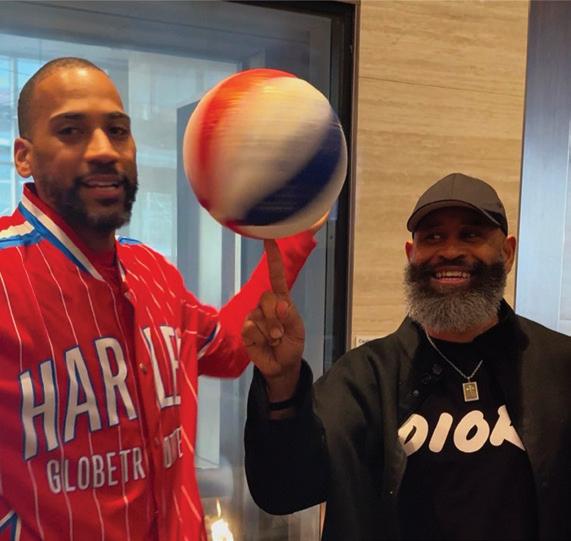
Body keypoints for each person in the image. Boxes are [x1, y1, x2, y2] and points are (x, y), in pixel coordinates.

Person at [0, 57, 318, 541]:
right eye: (71, 131)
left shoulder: (153, 271)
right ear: (24, 156)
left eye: (117, 130)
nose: (103, 150)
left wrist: (295, 231)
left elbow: (229, 348)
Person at [243, 172, 571, 541]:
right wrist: (283, 381)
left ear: (507, 253)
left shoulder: (559, 367)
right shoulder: (364, 378)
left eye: (470, 235)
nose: (450, 251)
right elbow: (284, 488)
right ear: (411, 254)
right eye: (433, 237)